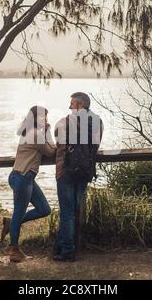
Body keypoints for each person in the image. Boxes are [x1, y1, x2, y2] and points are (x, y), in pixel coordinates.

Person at [53, 92, 103, 262]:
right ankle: (58, 247)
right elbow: (96, 146)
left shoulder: (64, 122)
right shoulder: (98, 122)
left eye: (72, 103)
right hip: (85, 171)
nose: (69, 107)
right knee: (73, 209)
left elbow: (58, 141)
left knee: (66, 212)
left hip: (66, 171)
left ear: (80, 104)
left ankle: (67, 251)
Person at [2, 105, 56, 262]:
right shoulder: (35, 134)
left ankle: (11, 223)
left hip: (24, 177)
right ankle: (13, 250)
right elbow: (51, 151)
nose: (45, 119)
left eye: (46, 116)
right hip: (23, 177)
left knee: (44, 209)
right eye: (42, 117)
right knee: (18, 214)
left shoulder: (30, 132)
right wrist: (48, 131)